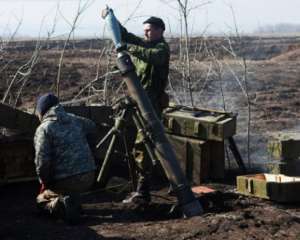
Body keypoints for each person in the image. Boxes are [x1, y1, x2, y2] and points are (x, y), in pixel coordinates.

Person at [102, 9, 170, 205]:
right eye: (145, 31)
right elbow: (125, 36)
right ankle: (138, 188)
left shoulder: (161, 49)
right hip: (137, 104)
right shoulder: (145, 44)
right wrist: (110, 17)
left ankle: (143, 191)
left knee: (143, 146)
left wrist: (128, 49)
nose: (146, 34)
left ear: (160, 31)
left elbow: (152, 57)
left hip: (150, 108)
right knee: (133, 145)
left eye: (149, 30)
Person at [34, 93, 96, 224]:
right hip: (89, 175)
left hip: (66, 180)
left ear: (41, 110)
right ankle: (72, 200)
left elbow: (42, 163)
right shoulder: (76, 120)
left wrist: (45, 182)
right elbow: (92, 126)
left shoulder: (44, 129)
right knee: (71, 190)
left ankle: (62, 206)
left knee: (40, 200)